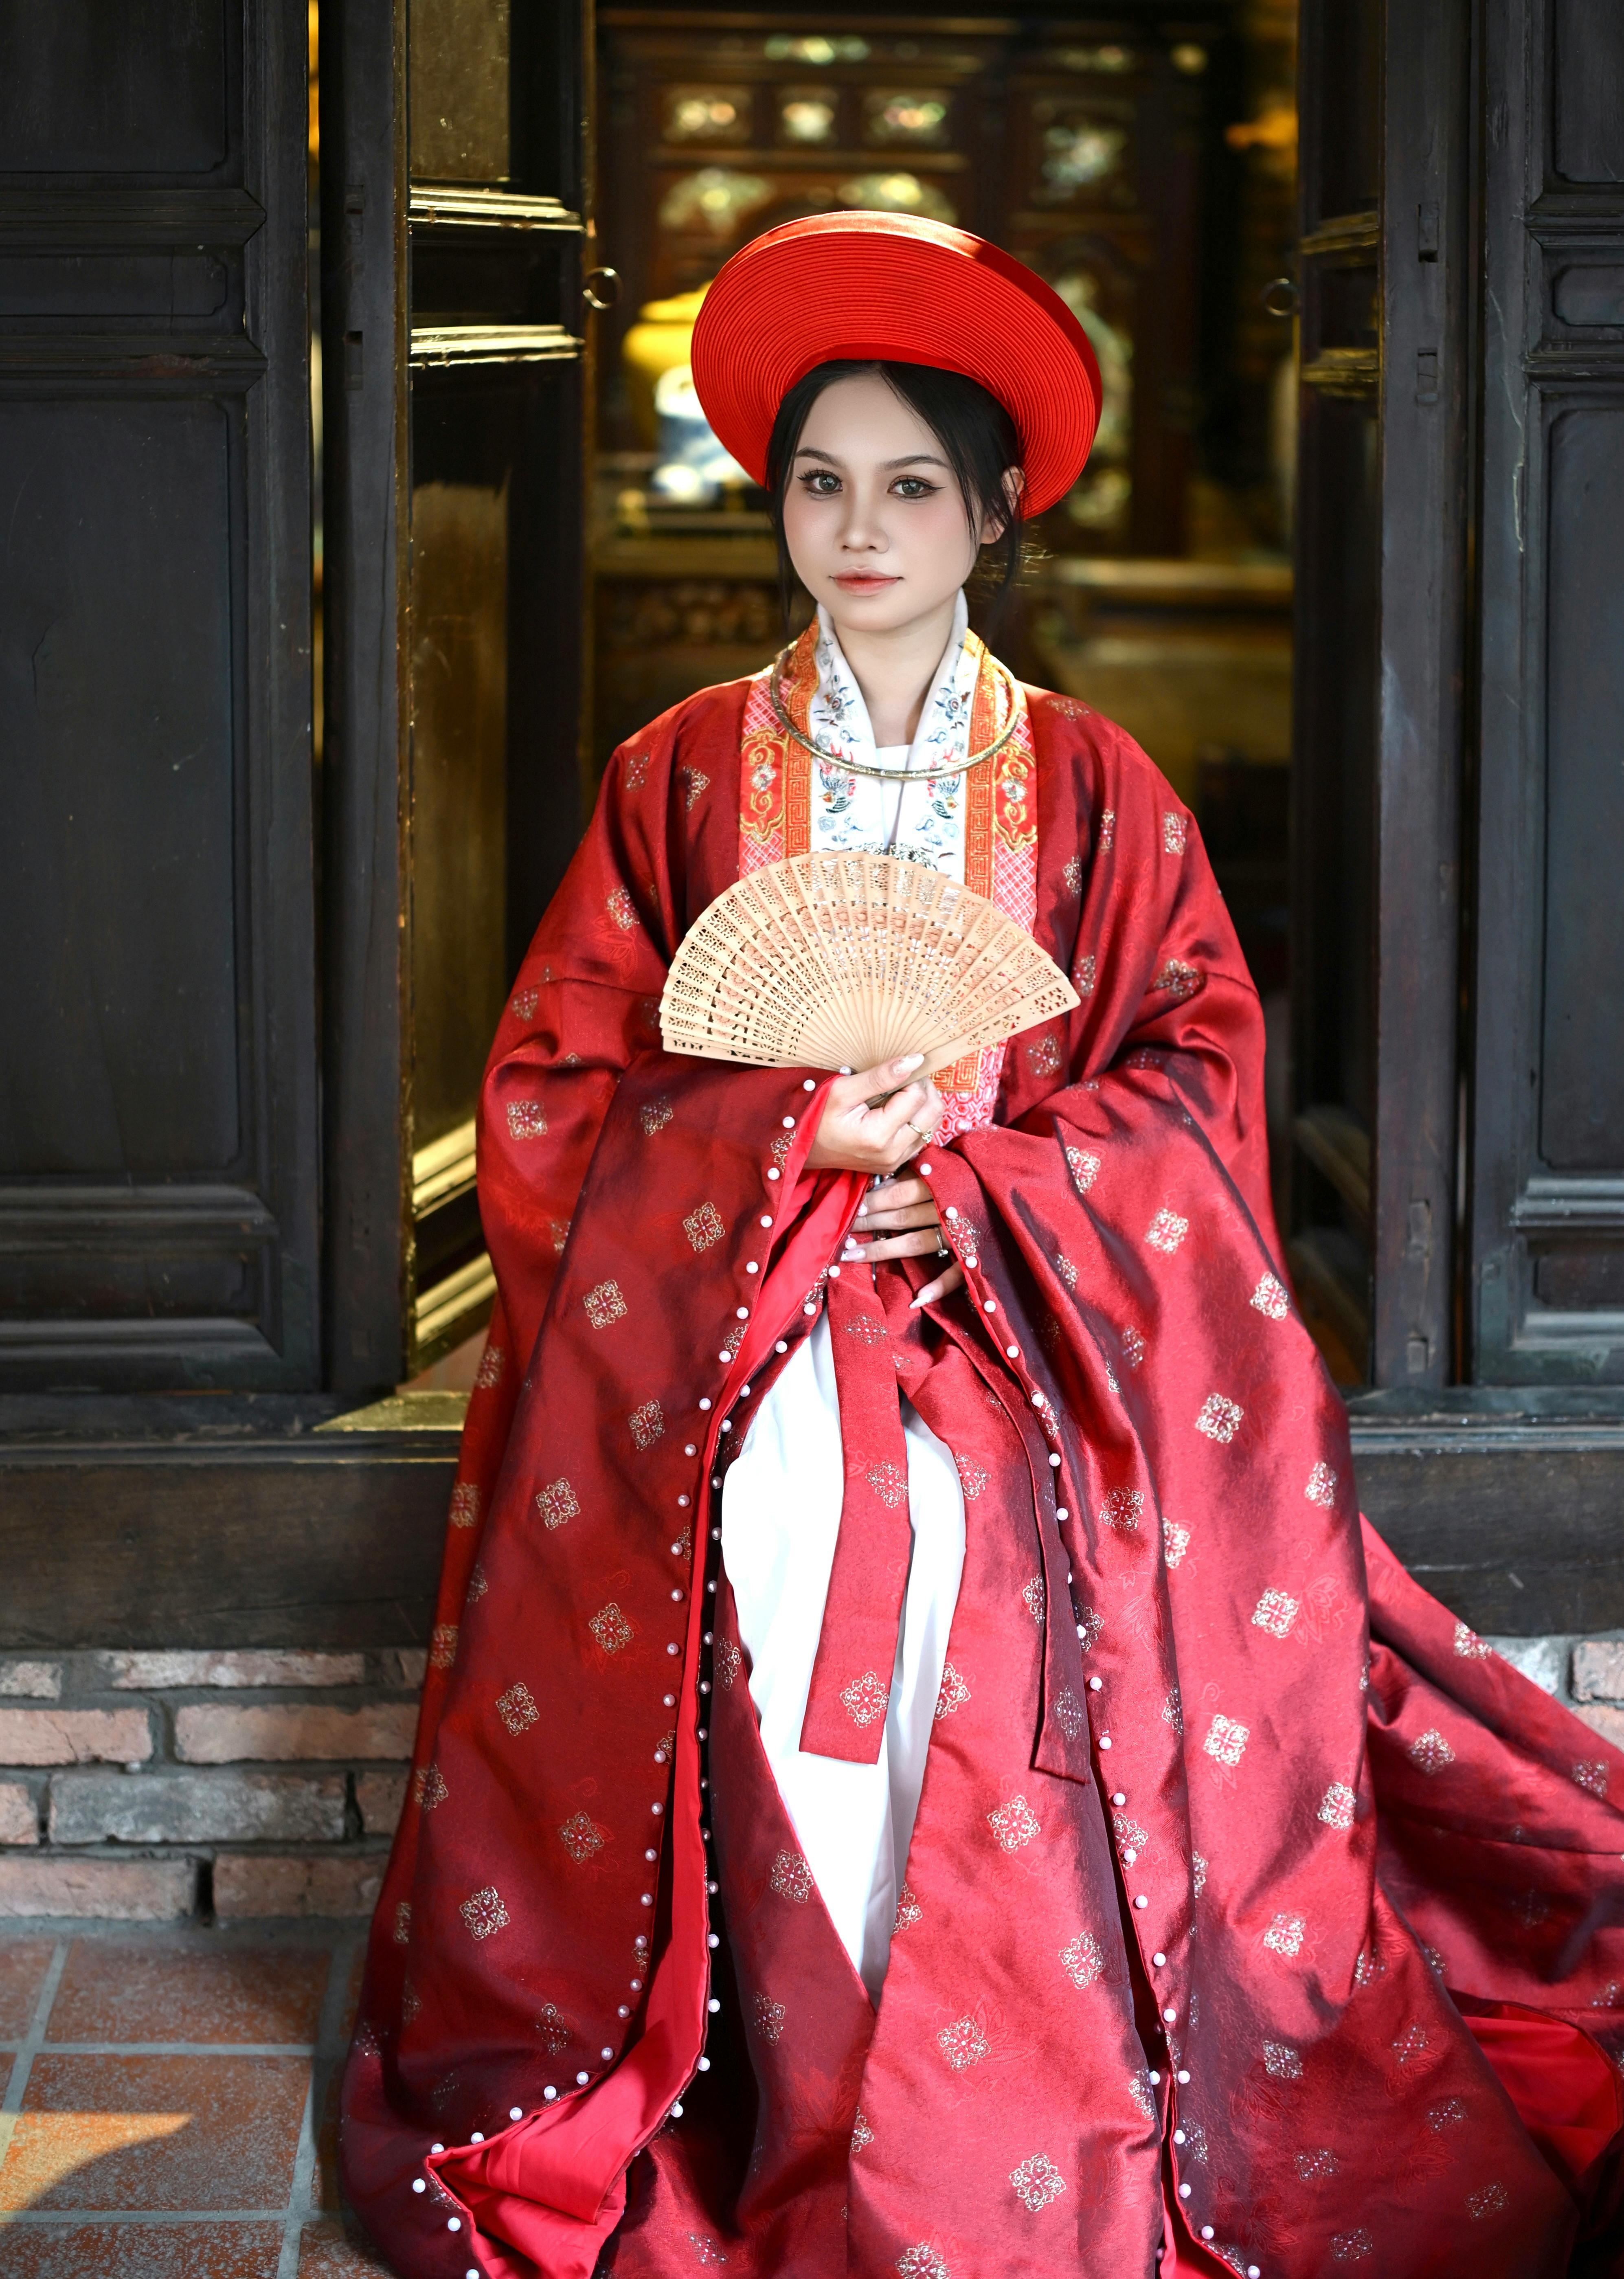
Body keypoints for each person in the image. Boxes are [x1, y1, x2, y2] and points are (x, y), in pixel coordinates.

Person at [341, 213, 1624, 2279]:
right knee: (771, 1525)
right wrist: (777, 1139)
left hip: (1029, 1318)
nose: (860, 531)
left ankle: (1017, 2068)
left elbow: (1201, 1082)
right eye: (820, 485)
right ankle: (803, 2052)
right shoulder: (676, 779)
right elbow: (552, 1099)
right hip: (747, 1316)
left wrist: (1004, 1184)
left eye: (910, 487)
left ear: (994, 509)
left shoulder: (1103, 796)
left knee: (982, 1540)